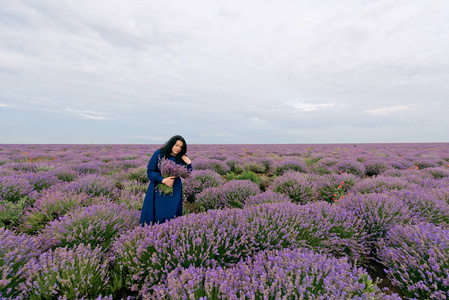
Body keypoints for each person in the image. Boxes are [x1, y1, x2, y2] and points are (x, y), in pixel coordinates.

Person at [140, 135, 193, 226]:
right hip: (158, 189)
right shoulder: (159, 154)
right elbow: (150, 171)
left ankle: (169, 234)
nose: (178, 148)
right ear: (171, 144)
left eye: (181, 147)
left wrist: (189, 163)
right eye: (176, 145)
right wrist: (163, 180)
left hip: (174, 189)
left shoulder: (181, 158)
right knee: (158, 213)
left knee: (171, 213)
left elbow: (187, 174)